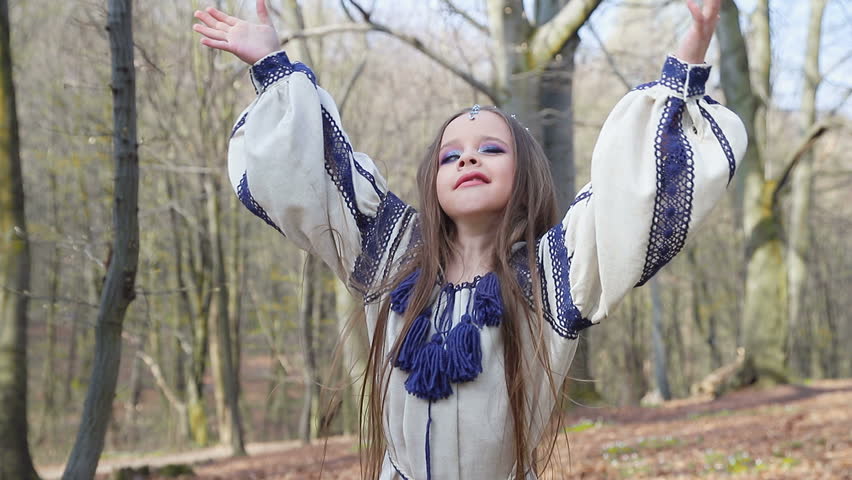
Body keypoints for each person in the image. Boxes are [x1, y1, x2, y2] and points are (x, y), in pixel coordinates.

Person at [193, 0, 746, 478]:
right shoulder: (387, 251)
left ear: (524, 174)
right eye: (450, 154)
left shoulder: (557, 273)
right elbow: (313, 177)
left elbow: (632, 199)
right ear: (433, 180)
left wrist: (688, 60)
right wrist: (272, 64)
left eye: (491, 148)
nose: (469, 158)